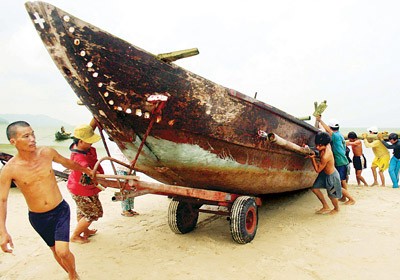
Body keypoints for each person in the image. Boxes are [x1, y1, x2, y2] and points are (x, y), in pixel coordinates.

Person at [0, 121, 93, 280]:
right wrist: (3, 231)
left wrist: (85, 170)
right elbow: (2, 200)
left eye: (33, 134)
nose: (32, 139)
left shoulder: (47, 152)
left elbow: (67, 162)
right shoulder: (9, 170)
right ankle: (71, 274)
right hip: (38, 218)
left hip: (60, 211)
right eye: (26, 136)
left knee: (62, 251)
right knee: (55, 251)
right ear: (13, 142)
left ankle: (73, 275)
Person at [67, 122, 104, 244]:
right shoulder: (78, 157)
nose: (92, 143)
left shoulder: (84, 148)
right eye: (89, 141)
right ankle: (76, 236)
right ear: (81, 141)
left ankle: (85, 230)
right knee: (92, 213)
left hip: (83, 187)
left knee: (82, 210)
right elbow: (86, 169)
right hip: (81, 189)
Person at [307, 131, 355, 215]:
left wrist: (312, 158)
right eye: (316, 144)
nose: (317, 147)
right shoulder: (326, 144)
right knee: (315, 188)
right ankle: (326, 206)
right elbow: (325, 136)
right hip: (324, 173)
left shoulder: (326, 156)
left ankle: (336, 209)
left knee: (332, 195)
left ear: (325, 145)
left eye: (320, 145)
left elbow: (317, 170)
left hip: (331, 176)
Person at [315, 116, 350, 201]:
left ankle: (346, 197)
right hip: (344, 159)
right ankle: (345, 197)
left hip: (340, 161)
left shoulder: (335, 136)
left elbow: (328, 131)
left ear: (330, 127)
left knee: (342, 181)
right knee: (342, 180)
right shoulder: (340, 134)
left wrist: (320, 120)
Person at [114, 148, 139, 217]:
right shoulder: (121, 147)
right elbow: (121, 159)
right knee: (125, 190)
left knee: (132, 190)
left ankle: (129, 209)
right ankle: (125, 210)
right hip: (122, 169)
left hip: (130, 169)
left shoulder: (128, 147)